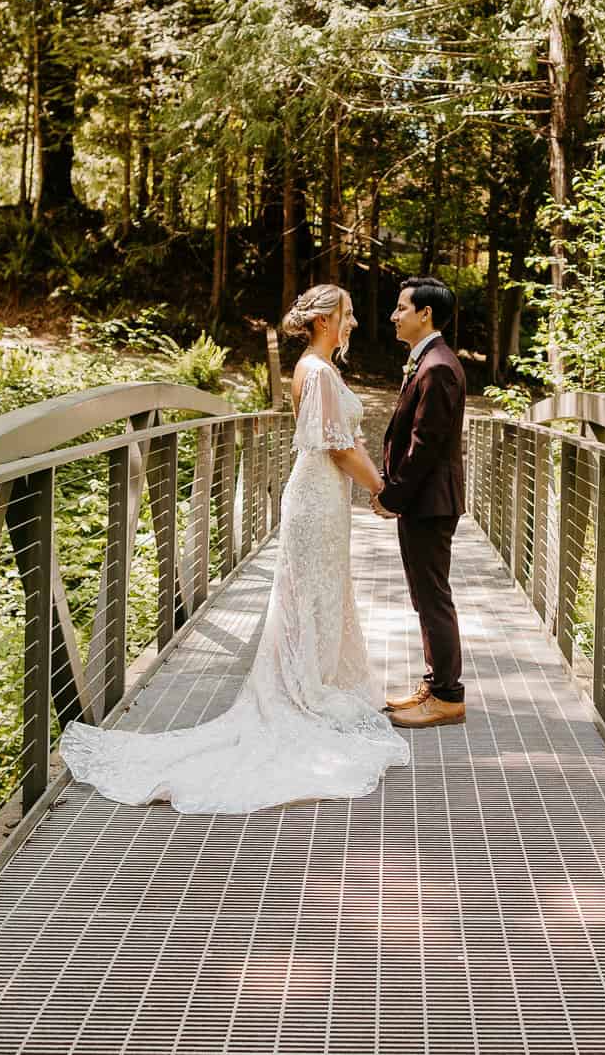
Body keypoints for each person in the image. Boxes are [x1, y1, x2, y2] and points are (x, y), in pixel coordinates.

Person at [57, 284, 410, 813]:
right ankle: (300, 691)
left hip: (328, 501)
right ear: (321, 322)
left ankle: (311, 681)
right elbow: (336, 446)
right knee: (307, 595)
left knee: (320, 594)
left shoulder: (321, 370)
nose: (354, 322)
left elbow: (347, 440)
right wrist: (382, 489)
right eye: (347, 314)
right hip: (315, 499)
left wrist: (375, 482)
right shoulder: (315, 372)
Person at [372, 277, 468, 729]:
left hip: (430, 502)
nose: (394, 315)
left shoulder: (438, 368)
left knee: (433, 598)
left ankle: (449, 697)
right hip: (422, 502)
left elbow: (423, 445)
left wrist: (393, 496)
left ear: (425, 314)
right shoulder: (428, 361)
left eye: (401, 307)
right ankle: (434, 683)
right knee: (424, 596)